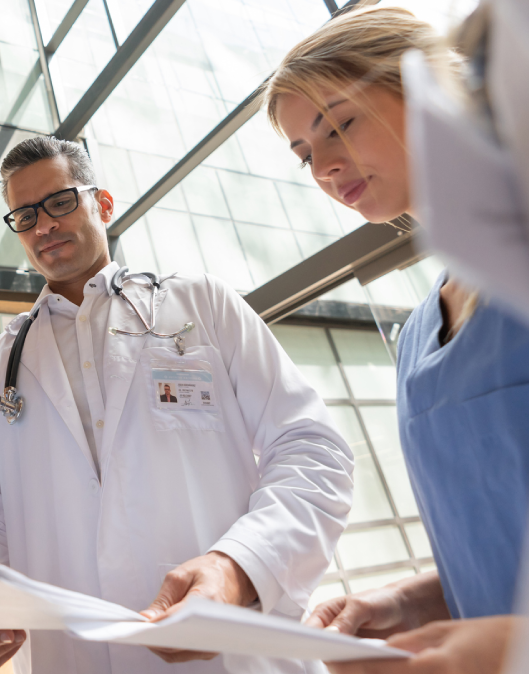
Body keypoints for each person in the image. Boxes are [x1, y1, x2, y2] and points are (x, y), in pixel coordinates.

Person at [0, 136, 354, 674]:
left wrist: (241, 565)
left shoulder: (201, 304)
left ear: (102, 204)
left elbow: (311, 448)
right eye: (24, 215)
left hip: (227, 652)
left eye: (60, 202)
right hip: (75, 654)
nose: (43, 226)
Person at [264, 6, 529, 673]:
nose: (325, 165)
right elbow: (495, 546)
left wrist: (506, 648)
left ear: (429, 87)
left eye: (341, 124)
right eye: (304, 156)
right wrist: (419, 603)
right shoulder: (416, 336)